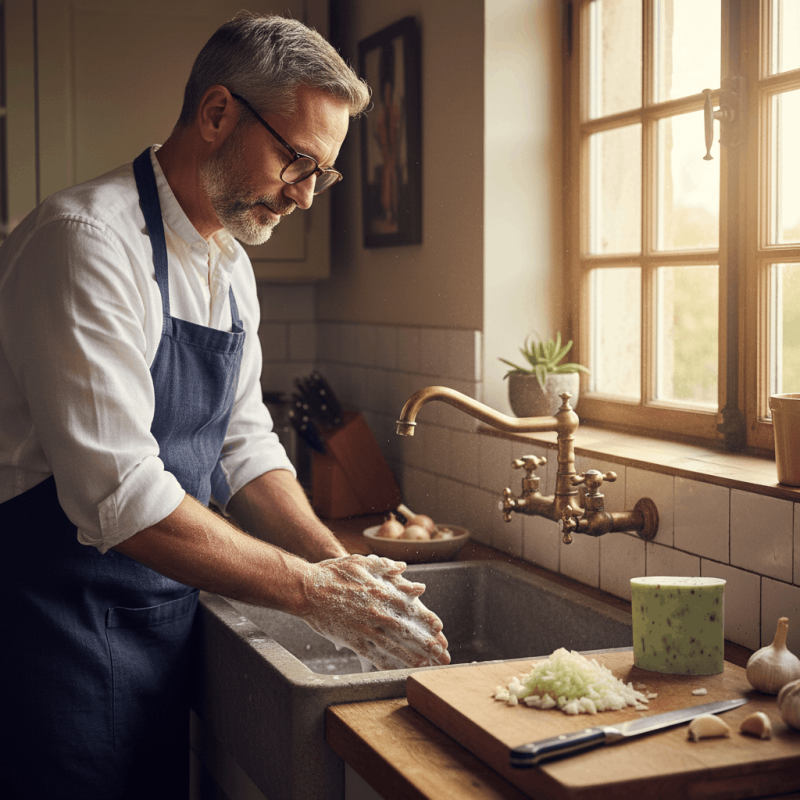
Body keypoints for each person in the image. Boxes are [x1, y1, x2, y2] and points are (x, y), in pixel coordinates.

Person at [0, 13, 449, 800]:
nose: (307, 196)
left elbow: (244, 444)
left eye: (324, 174)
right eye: (298, 161)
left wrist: (336, 563)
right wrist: (316, 593)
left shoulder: (228, 263)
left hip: (160, 622)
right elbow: (122, 497)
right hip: (52, 634)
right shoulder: (86, 243)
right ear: (217, 114)